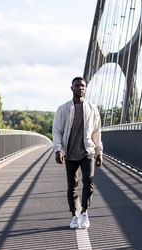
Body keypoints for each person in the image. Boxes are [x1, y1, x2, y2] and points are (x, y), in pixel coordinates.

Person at [52, 76, 103, 229]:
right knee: (72, 185)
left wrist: (99, 152)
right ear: (71, 88)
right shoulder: (63, 109)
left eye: (82, 86)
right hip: (70, 153)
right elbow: (56, 131)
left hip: (87, 151)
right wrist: (58, 150)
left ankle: (85, 213)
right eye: (77, 86)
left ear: (85, 88)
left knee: (89, 182)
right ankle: (74, 215)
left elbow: (97, 132)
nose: (80, 88)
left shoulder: (93, 108)